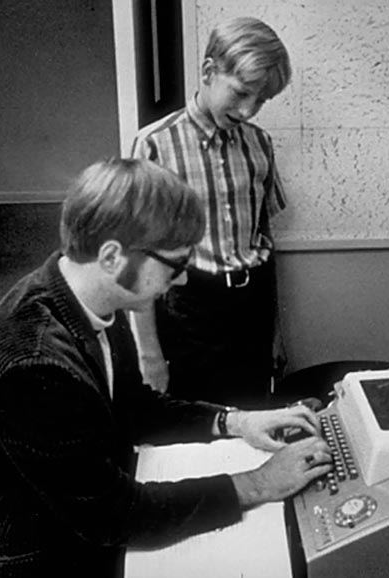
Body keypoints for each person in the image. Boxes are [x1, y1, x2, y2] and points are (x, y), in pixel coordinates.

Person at [0, 158, 332, 578]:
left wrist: (237, 422)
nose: (181, 281)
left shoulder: (83, 298)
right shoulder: (34, 365)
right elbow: (116, 517)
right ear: (112, 257)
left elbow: (135, 409)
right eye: (176, 265)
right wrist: (259, 483)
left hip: (72, 514)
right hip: (27, 556)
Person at [130, 17, 291, 408]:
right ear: (208, 71)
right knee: (198, 426)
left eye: (262, 101)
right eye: (241, 93)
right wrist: (148, 351)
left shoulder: (259, 144)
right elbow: (136, 257)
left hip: (252, 307)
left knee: (254, 419)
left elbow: (264, 234)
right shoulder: (155, 146)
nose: (249, 110)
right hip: (190, 313)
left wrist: (275, 331)